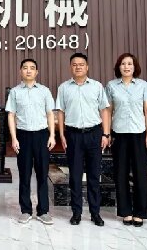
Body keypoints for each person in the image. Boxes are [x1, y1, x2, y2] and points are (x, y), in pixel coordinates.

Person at [55, 52, 109, 227]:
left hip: (94, 134)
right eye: (75, 64)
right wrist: (62, 134)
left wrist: (106, 134)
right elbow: (60, 112)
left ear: (87, 67)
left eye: (81, 64)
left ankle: (95, 213)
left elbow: (104, 110)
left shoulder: (97, 86)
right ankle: (76, 213)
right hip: (73, 135)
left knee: (94, 175)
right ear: (70, 67)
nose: (78, 67)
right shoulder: (64, 88)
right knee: (75, 176)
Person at [107, 53, 147, 227]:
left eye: (130, 64)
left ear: (135, 67)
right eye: (123, 64)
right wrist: (107, 133)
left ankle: (140, 213)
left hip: (139, 133)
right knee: (121, 174)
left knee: (141, 174)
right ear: (118, 67)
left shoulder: (143, 85)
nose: (126, 67)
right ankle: (125, 212)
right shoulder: (111, 86)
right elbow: (108, 111)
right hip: (119, 134)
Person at [6, 59, 56, 225]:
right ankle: (26, 210)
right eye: (25, 68)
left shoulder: (44, 91)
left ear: (37, 72)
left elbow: (50, 113)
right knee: (24, 174)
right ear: (21, 71)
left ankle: (43, 211)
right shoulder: (15, 92)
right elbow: (11, 115)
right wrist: (14, 138)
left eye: (32, 68)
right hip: (23, 136)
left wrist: (52, 135)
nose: (28, 71)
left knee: (42, 174)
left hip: (42, 135)